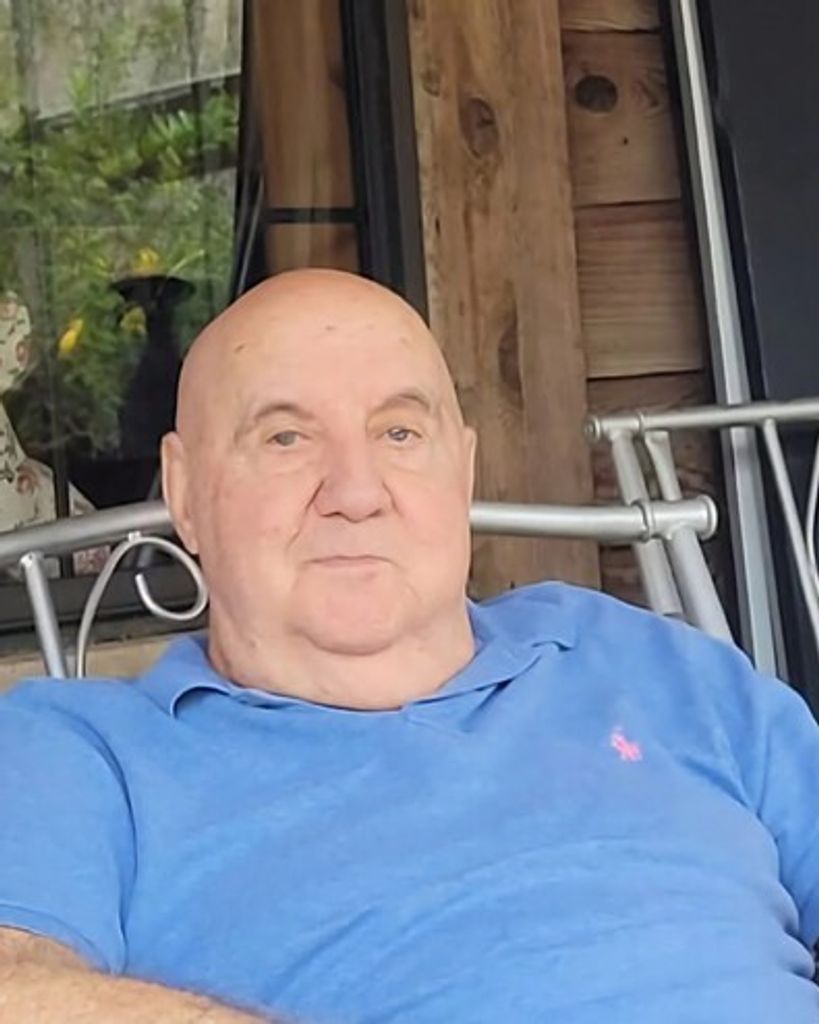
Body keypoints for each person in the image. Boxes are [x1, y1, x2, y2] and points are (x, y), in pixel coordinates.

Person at [0, 269, 818, 1023]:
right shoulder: (84, 754)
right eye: (285, 439)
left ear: (461, 469)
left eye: (398, 433)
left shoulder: (643, 661)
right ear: (183, 491)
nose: (356, 493)